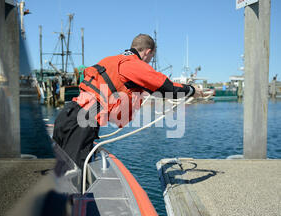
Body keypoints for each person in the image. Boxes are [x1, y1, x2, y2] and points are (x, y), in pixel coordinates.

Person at [53, 33, 203, 170]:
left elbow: (152, 89)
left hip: (67, 115)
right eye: (151, 59)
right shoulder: (134, 65)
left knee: (58, 171)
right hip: (83, 122)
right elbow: (168, 88)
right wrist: (192, 90)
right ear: (148, 52)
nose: (149, 63)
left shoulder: (112, 60)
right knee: (74, 177)